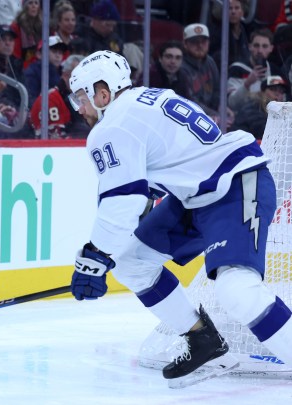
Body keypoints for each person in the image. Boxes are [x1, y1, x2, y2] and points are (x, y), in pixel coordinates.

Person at [67, 50, 292, 387]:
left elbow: (123, 201)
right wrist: (101, 255)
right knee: (132, 264)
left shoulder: (111, 126)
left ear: (102, 93)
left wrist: (94, 258)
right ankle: (203, 340)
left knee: (237, 290)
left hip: (234, 185)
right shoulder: (150, 97)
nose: (79, 107)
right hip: (198, 195)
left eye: (81, 97)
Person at [181, 23, 233, 128]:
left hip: (211, 112)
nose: (200, 45)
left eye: (203, 41)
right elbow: (189, 100)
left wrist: (221, 108)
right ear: (185, 44)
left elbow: (218, 91)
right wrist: (213, 114)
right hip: (189, 115)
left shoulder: (210, 61)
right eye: (194, 42)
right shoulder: (181, 66)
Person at [29, 53, 87, 139]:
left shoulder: (76, 98)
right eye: (79, 75)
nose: (84, 80)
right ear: (65, 75)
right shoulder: (50, 99)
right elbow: (55, 138)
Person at [227, 29, 279, 112]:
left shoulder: (274, 71)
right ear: (250, 47)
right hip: (243, 118)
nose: (260, 51)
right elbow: (232, 103)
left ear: (271, 48)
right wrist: (247, 84)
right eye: (256, 46)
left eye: (264, 46)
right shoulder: (237, 69)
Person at [231, 75, 288, 139]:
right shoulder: (253, 107)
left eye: (281, 92)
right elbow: (263, 131)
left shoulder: (280, 111)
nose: (277, 94)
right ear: (262, 92)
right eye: (273, 89)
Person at [23, 35, 67, 107]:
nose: (58, 56)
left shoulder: (63, 71)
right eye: (54, 51)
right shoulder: (32, 72)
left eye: (60, 52)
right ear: (39, 54)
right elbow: (30, 100)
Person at [10, 0, 42, 69]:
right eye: (30, 3)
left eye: (36, 3)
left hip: (39, 63)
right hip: (21, 65)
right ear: (25, 7)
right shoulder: (16, 26)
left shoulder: (42, 26)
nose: (34, 6)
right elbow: (16, 54)